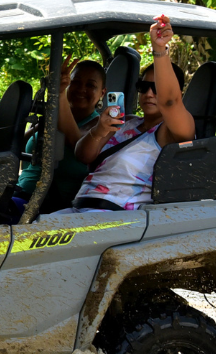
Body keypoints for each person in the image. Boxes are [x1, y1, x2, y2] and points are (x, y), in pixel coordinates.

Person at [64, 14, 195, 212]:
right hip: (80, 208)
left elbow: (170, 102)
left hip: (117, 218)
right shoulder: (126, 121)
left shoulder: (171, 133)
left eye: (156, 87)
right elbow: (82, 156)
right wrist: (100, 130)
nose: (149, 94)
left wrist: (159, 50)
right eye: (144, 86)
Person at [17, 57, 106, 212]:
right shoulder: (51, 119)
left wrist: (58, 93)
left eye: (90, 85)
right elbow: (16, 144)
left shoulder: (99, 127)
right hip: (20, 195)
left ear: (102, 93)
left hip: (50, 208)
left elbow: (76, 143)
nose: (81, 89)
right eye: (76, 82)